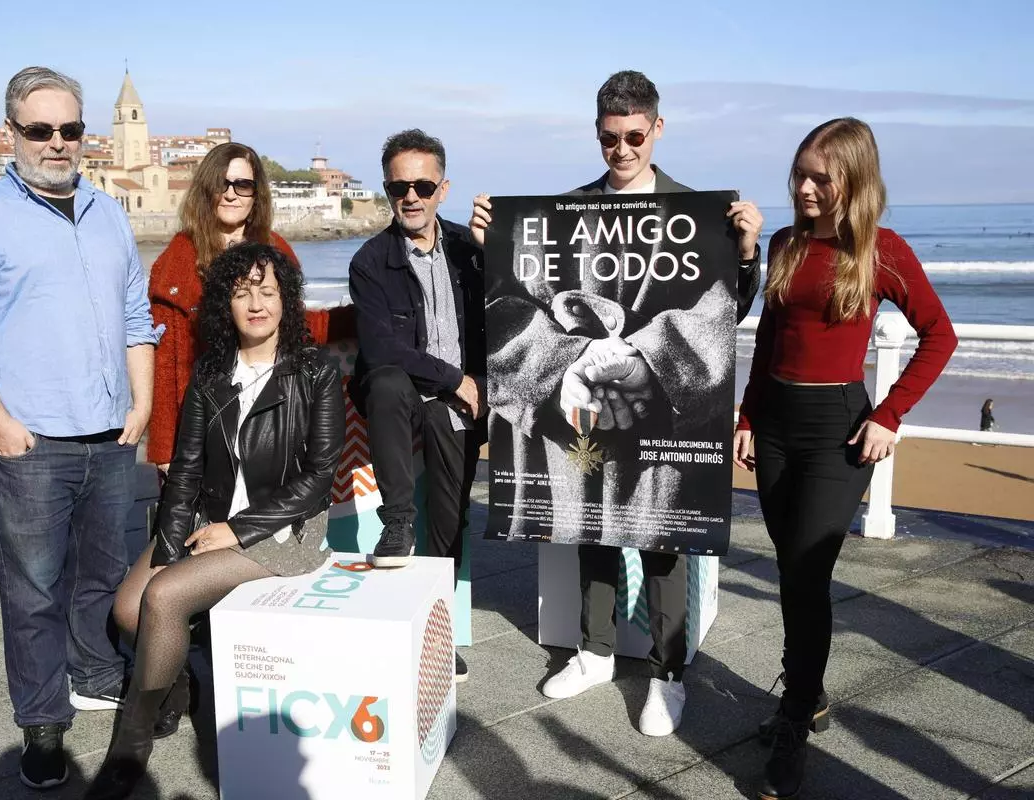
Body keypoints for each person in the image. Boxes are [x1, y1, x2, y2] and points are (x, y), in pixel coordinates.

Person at [469, 70, 763, 736]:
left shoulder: (698, 211)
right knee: (587, 527)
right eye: (609, 138)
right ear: (596, 133)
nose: (622, 150)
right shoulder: (566, 210)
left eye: (634, 136)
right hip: (577, 401)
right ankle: (595, 650)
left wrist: (746, 255)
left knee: (666, 539)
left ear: (658, 127)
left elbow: (727, 312)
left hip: (663, 406)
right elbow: (515, 295)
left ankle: (668, 673)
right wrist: (494, 248)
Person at [0, 66, 159, 791]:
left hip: (111, 435)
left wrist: (142, 405)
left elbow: (135, 316)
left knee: (102, 574)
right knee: (32, 588)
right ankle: (41, 722)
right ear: (14, 132)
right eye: (40, 129)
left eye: (70, 129)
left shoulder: (109, 212)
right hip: (30, 441)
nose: (57, 142)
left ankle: (94, 673)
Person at [733, 117, 957, 799]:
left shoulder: (882, 251)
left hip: (837, 431)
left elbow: (939, 335)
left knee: (807, 573)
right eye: (799, 174)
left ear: (852, 181)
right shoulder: (785, 243)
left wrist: (890, 414)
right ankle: (808, 692)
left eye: (819, 179)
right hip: (775, 422)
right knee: (790, 570)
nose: (803, 188)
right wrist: (747, 416)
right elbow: (770, 338)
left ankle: (794, 721)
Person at [85, 243, 344, 799]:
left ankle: (129, 748)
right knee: (128, 608)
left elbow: (320, 478)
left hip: (283, 532)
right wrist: (169, 546)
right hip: (210, 515)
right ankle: (176, 684)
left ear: (286, 300)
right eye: (242, 293)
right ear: (226, 304)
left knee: (164, 598)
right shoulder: (210, 373)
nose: (256, 304)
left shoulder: (315, 370)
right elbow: (185, 470)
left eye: (267, 292)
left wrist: (239, 530)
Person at [348, 129, 485, 682]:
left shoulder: (469, 250)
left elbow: (516, 310)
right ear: (387, 189)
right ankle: (397, 520)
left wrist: (492, 251)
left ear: (442, 189)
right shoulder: (370, 261)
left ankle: (436, 636)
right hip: (408, 392)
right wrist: (453, 378)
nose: (411, 197)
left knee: (451, 523)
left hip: (460, 402)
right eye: (398, 187)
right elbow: (383, 348)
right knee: (383, 381)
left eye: (423, 186)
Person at [146, 142, 300, 477]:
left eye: (242, 185)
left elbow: (298, 329)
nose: (231, 194)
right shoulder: (177, 260)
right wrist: (163, 447)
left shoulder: (276, 249)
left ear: (256, 194)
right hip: (200, 421)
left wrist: (358, 318)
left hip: (271, 417)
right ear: (207, 190)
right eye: (222, 184)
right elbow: (165, 358)